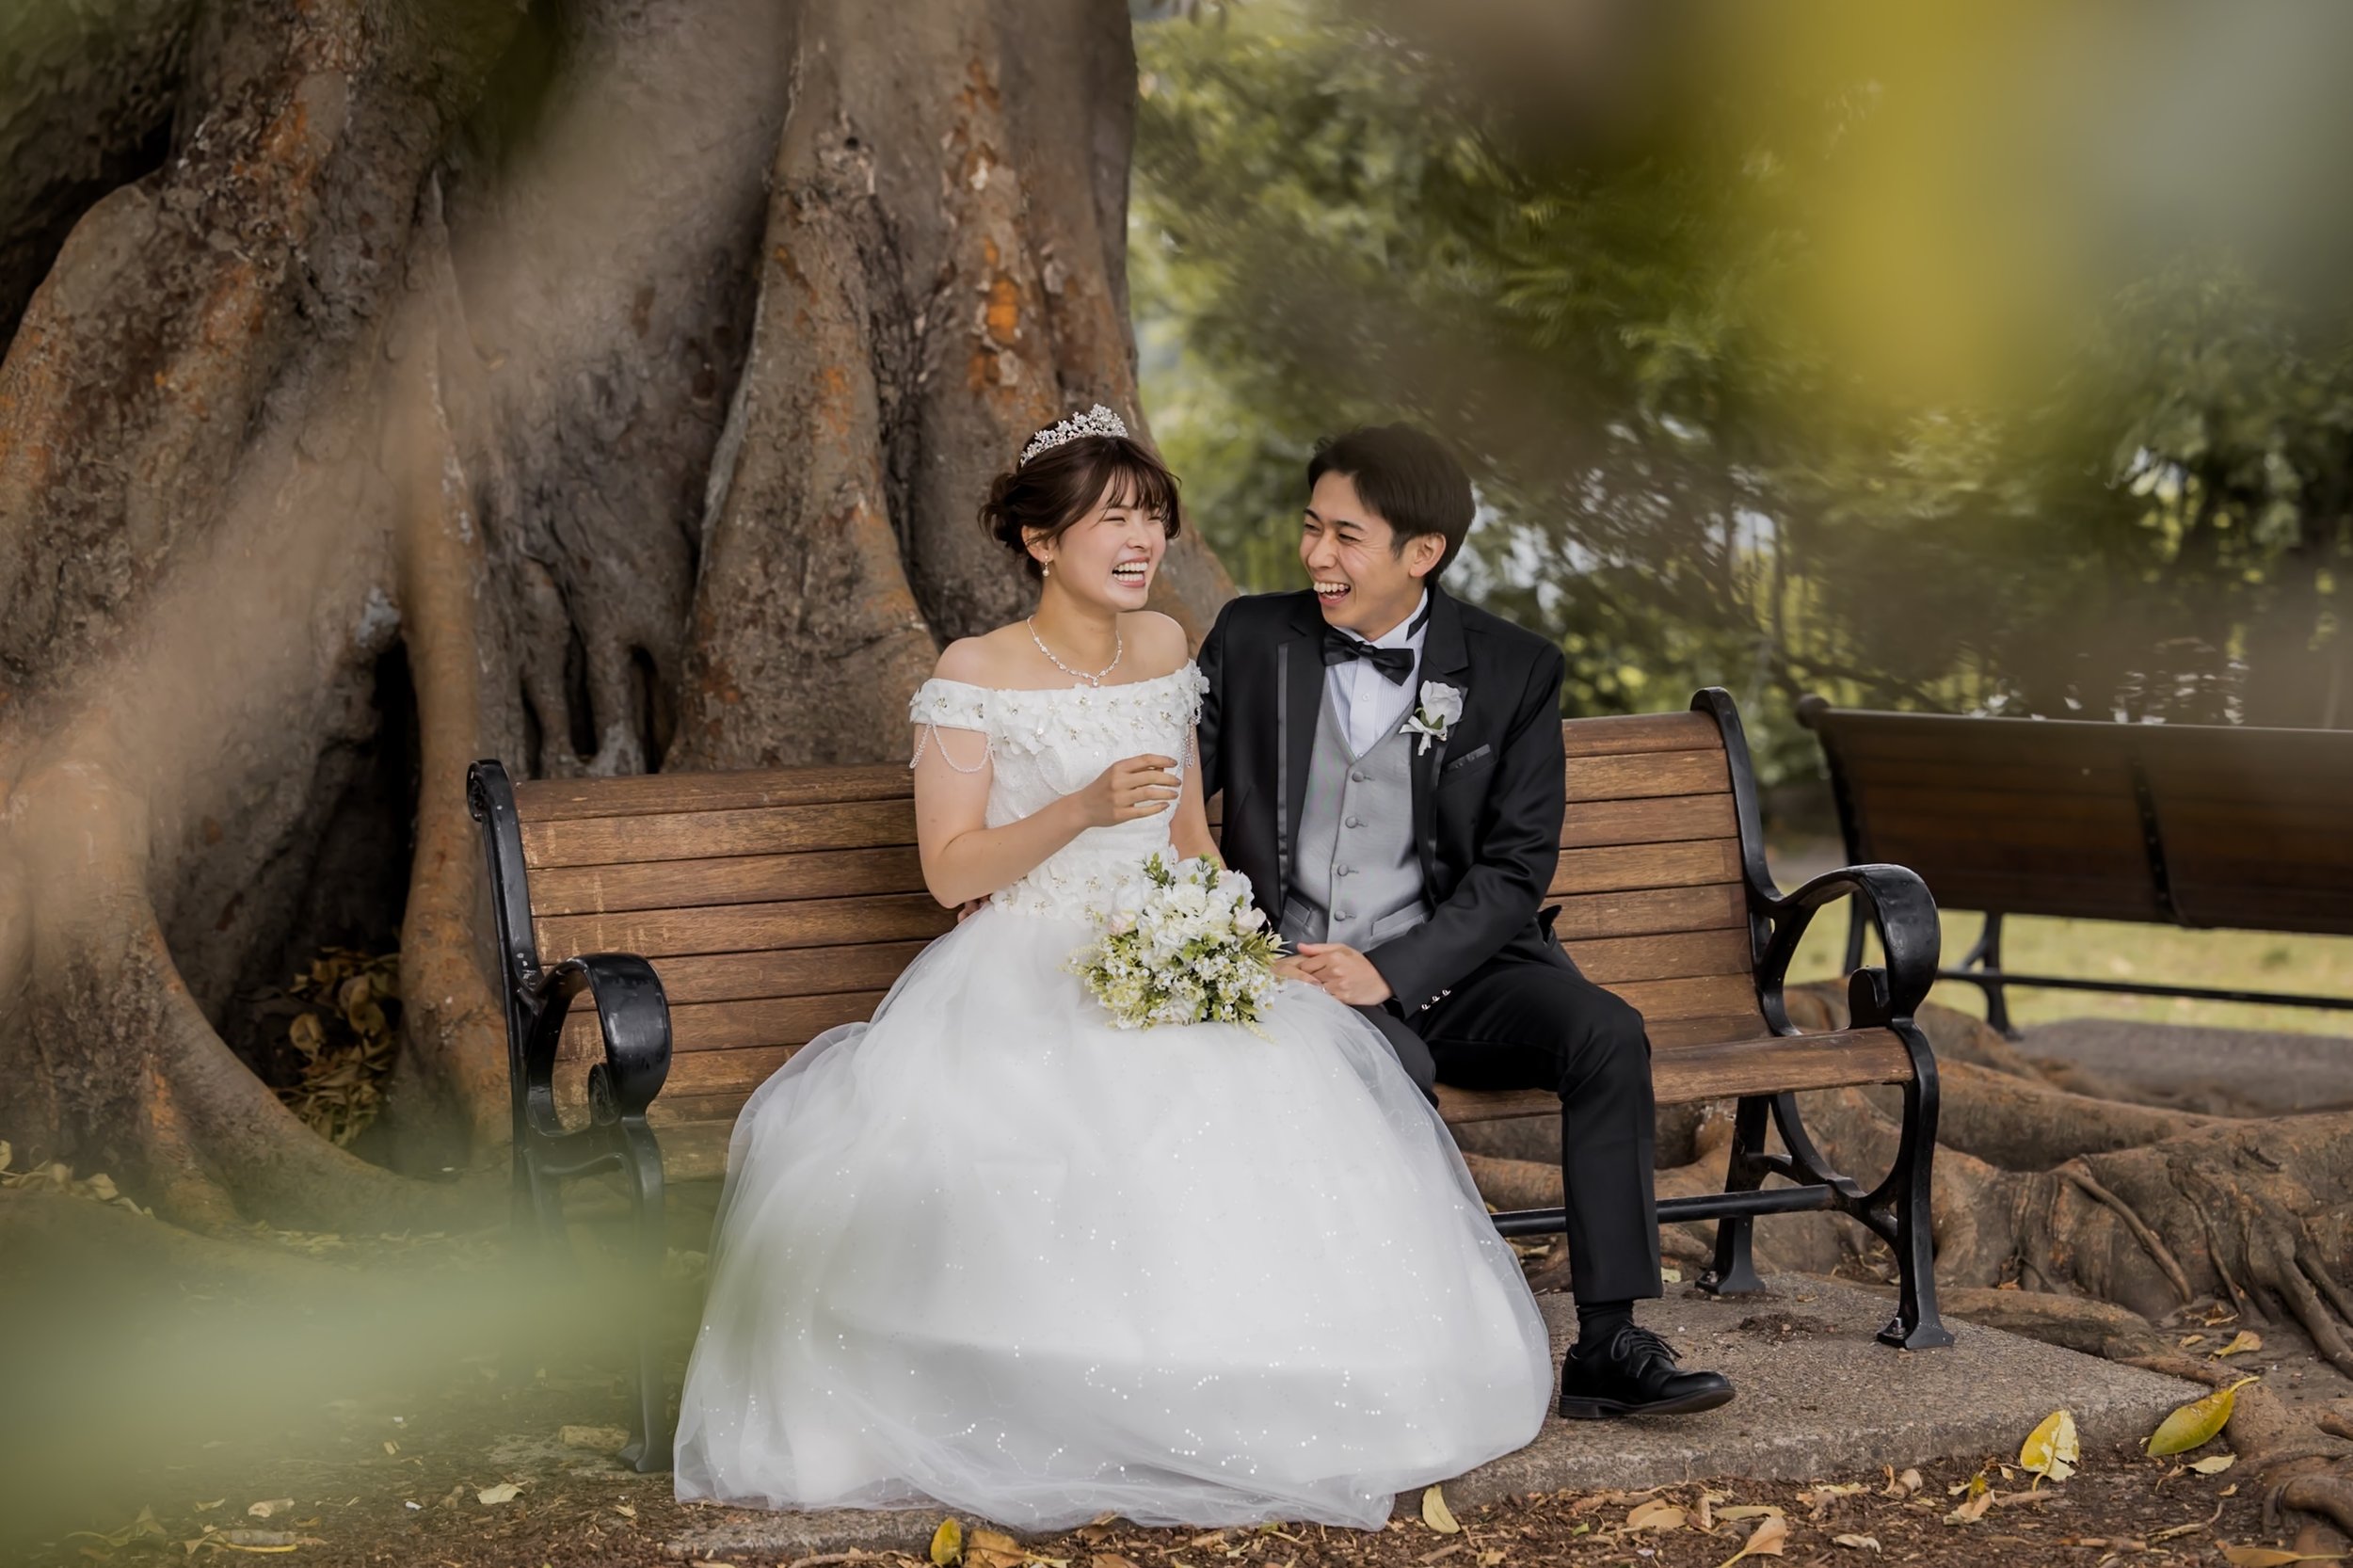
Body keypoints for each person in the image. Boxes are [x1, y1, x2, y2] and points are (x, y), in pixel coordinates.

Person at [671, 406, 1552, 1530]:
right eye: (1110, 523)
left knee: (1275, 1101)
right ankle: (1050, 1397)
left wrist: (1228, 941)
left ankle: (1260, 1381)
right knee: (1057, 1134)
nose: (1139, 544)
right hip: (1025, 960)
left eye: (1150, 519)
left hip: (1169, 946)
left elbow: (1188, 833)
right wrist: (1075, 810)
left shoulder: (1166, 647)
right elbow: (949, 872)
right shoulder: (972, 671)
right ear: (1042, 543)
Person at [1195, 424, 1734, 1422]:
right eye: (1310, 527)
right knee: (1381, 1070)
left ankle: (1608, 1342)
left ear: (1422, 552)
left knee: (1605, 1033)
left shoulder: (1513, 668)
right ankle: (1378, 1344)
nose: (1315, 554)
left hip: (1461, 966)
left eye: (1345, 536)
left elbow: (1515, 867)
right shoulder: (1250, 639)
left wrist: (1390, 968)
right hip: (1297, 970)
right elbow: (1178, 806)